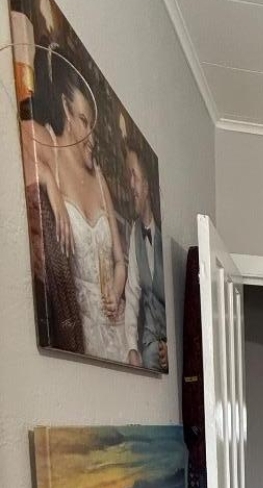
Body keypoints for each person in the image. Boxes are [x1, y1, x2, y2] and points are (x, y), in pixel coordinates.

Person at [21, 56, 128, 363]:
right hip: (78, 330)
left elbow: (120, 261)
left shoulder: (99, 178)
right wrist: (49, 184)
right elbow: (15, 135)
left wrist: (117, 291)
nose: (89, 135)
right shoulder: (48, 146)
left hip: (114, 326)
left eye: (91, 124)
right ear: (67, 109)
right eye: (83, 120)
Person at [124, 141, 167, 371]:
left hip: (166, 354)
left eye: (134, 175)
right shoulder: (134, 233)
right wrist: (131, 347)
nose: (131, 185)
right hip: (148, 348)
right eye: (127, 177)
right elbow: (132, 294)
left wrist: (170, 347)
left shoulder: (164, 239)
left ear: (148, 186)